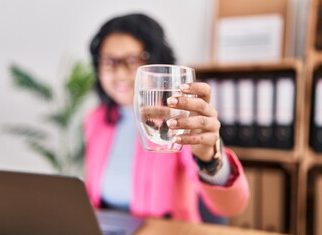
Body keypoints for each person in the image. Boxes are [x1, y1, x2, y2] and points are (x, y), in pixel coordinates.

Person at [84, 13, 249, 222]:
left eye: (133, 60)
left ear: (155, 62)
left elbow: (233, 206)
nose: (120, 73)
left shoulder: (178, 119)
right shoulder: (95, 121)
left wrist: (208, 157)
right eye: (109, 62)